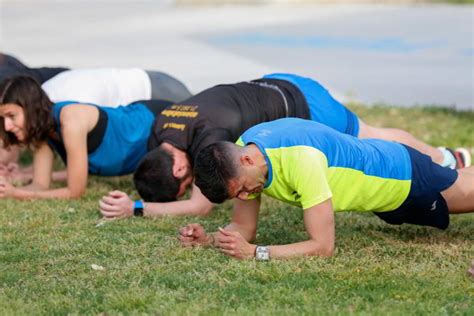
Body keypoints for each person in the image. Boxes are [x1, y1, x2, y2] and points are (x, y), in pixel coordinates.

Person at [99, 73, 471, 219]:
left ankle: (446, 159)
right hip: (274, 82)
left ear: (181, 169)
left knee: (369, 137)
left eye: (183, 185)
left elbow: (201, 207)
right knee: (369, 136)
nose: (192, 184)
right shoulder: (164, 126)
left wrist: (136, 208)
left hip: (306, 104)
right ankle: (447, 162)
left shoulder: (211, 141)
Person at [179, 118, 474, 260]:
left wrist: (257, 254)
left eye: (242, 190)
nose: (246, 197)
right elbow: (244, 227)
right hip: (382, 197)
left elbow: (323, 247)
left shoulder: (303, 160)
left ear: (246, 159)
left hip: (404, 177)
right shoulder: (244, 154)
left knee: (467, 191)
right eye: (237, 196)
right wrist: (211, 240)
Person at [0, 75, 172, 200]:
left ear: (30, 108)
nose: (7, 126)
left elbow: (75, 192)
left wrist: (16, 193)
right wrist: (7, 189)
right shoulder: (41, 134)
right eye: (3, 119)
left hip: (157, 118)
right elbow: (40, 185)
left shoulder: (70, 119)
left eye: (12, 116)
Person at [42, 68, 192, 107]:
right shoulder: (42, 92)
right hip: (155, 79)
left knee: (208, 123)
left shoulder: (75, 102)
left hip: (155, 90)